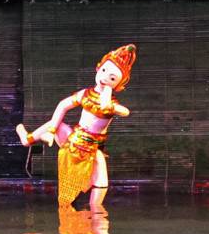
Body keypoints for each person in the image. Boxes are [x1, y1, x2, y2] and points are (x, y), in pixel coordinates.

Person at [16, 45, 136, 208]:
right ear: (98, 68)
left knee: (101, 181)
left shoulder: (111, 103)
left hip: (93, 147)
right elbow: (62, 105)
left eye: (112, 78)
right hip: (75, 139)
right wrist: (52, 131)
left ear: (118, 84)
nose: (105, 78)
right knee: (56, 125)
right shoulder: (85, 94)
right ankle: (30, 138)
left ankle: (95, 212)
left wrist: (112, 107)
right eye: (103, 71)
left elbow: (125, 111)